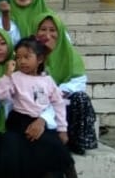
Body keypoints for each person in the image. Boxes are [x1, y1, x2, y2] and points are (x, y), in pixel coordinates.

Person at [0, 36, 98, 178]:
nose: (22, 61)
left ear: (40, 59)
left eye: (27, 57)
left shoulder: (47, 81)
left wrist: (62, 129)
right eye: (18, 57)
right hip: (20, 120)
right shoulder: (16, 78)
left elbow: (58, 103)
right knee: (41, 145)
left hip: (41, 121)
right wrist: (7, 75)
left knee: (60, 150)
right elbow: (0, 95)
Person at [35, 12, 97, 154]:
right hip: (40, 102)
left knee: (80, 98)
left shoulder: (69, 54)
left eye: (52, 30)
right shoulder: (32, 53)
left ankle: (76, 142)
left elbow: (79, 81)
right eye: (43, 29)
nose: (47, 34)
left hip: (63, 99)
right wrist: (45, 55)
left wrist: (59, 92)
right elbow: (33, 80)